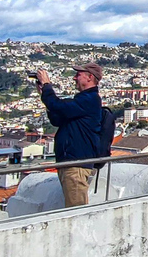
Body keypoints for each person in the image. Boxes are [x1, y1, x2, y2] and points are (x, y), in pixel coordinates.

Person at [36, 63, 103, 207]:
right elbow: (57, 119)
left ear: (90, 77)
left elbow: (58, 107)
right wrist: (45, 97)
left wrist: (47, 86)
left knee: (76, 211)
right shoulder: (83, 100)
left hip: (76, 164)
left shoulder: (89, 100)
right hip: (71, 163)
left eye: (78, 74)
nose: (74, 78)